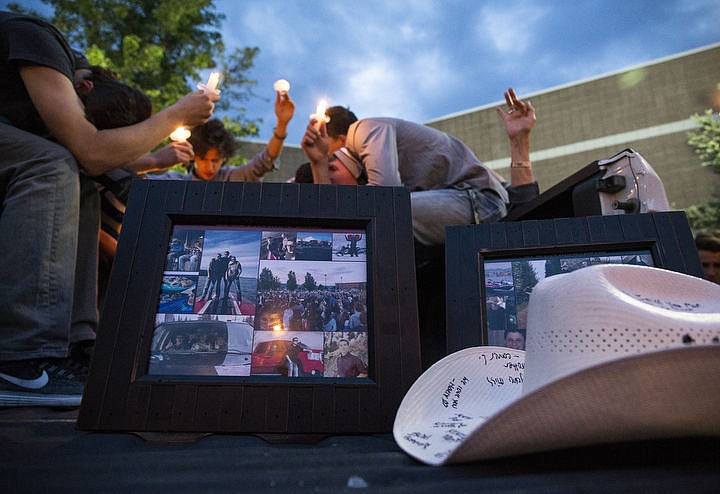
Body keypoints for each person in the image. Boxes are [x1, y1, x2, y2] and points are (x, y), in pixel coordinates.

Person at [0, 11, 217, 406]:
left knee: (74, 172)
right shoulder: (37, 37)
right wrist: (176, 116)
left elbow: (95, 161)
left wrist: (147, 164)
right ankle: (20, 356)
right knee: (52, 164)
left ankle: (74, 345)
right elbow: (92, 150)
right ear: (81, 87)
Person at [300, 88, 538, 246]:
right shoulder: (396, 164)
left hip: (479, 203)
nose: (332, 174)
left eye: (332, 164)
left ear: (340, 140)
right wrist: (318, 162)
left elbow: (382, 201)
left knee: (378, 214)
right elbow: (331, 220)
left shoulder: (364, 129)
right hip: (479, 202)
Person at [142, 89, 295, 181]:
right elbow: (133, 182)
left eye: (215, 160)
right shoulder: (174, 181)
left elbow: (265, 161)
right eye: (203, 159)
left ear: (224, 157)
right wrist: (153, 160)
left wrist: (282, 124)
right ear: (193, 155)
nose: (210, 167)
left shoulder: (232, 178)